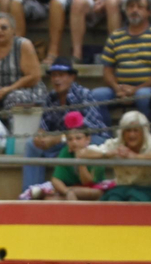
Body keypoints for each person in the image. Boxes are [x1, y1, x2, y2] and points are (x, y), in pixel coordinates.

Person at [24, 55, 111, 190]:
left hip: (91, 139)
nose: (56, 79)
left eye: (61, 75)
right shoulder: (50, 98)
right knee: (31, 144)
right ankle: (30, 192)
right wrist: (40, 136)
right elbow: (44, 126)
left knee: (84, 141)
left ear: (72, 77)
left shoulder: (84, 94)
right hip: (64, 142)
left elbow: (91, 127)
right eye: (53, 76)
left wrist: (59, 139)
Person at [93, 0, 151, 115]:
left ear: (149, 12)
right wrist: (117, 88)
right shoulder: (115, 36)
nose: (134, 10)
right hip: (119, 90)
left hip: (147, 89)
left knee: (143, 95)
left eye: (140, 7)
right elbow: (107, 70)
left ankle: (150, 130)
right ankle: (103, 133)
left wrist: (136, 89)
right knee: (96, 95)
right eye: (130, 7)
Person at [78, 108, 151, 200]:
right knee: (112, 201)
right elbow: (83, 152)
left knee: (134, 202)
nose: (131, 135)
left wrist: (135, 157)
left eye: (136, 130)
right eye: (128, 130)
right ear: (123, 132)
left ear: (143, 132)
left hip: (147, 188)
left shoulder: (150, 143)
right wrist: (109, 154)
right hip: (122, 187)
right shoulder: (116, 144)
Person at [0, 12, 47, 112]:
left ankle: (14, 128)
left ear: (13, 30)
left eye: (4, 28)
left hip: (22, 90)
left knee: (14, 98)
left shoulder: (23, 45)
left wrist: (9, 89)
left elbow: (34, 76)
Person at [24, 112, 110, 199]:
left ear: (88, 139)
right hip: (70, 190)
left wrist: (80, 161)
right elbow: (55, 180)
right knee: (50, 199)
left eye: (78, 138)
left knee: (94, 192)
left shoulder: (95, 152)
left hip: (91, 189)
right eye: (70, 139)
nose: (74, 142)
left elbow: (87, 183)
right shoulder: (65, 152)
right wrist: (67, 191)